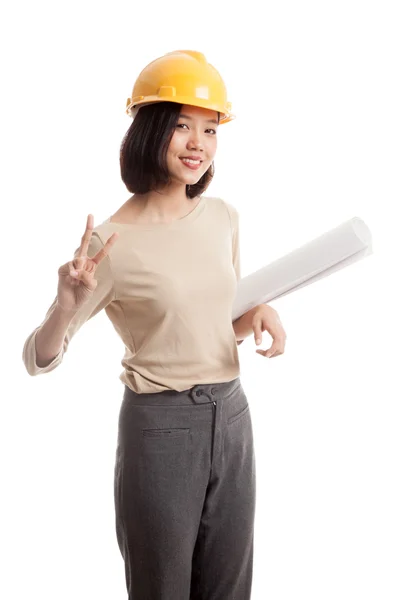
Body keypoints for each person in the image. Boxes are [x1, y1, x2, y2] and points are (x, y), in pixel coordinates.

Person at [22, 49, 286, 599]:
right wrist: (67, 304)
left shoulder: (223, 218)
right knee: (162, 589)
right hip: (161, 428)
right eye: (183, 126)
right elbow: (38, 360)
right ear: (151, 130)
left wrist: (257, 314)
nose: (199, 143)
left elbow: (215, 322)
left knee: (230, 588)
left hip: (232, 415)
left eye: (211, 130)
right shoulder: (111, 245)